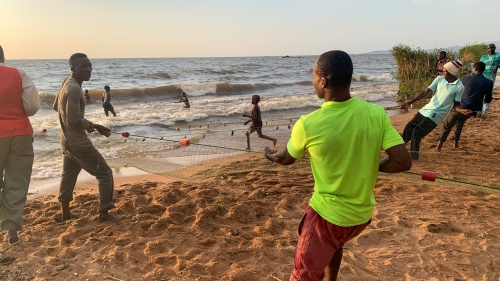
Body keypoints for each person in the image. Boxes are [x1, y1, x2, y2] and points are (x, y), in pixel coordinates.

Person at [264, 50, 412, 281]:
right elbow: (402, 161)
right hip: (361, 216)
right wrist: (371, 165)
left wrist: (270, 155)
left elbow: (286, 158)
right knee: (335, 244)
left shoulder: (308, 123)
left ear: (323, 81)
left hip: (327, 215)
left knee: (303, 274)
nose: (312, 82)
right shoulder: (376, 113)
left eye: (313, 77)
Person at [53, 53, 121, 222]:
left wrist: (80, 124)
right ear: (73, 68)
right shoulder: (75, 88)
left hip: (65, 141)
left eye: (89, 65)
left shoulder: (66, 83)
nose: (88, 69)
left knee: (68, 175)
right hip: (78, 142)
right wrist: (94, 126)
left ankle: (65, 214)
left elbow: (56, 107)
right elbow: (72, 119)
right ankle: (104, 214)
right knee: (105, 173)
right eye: (83, 66)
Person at [0, 45, 41, 245]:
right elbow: (32, 107)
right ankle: (11, 230)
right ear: (3, 57)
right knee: (16, 183)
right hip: (20, 133)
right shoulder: (19, 73)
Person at [400, 60, 464, 161]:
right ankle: (399, 150)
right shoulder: (439, 79)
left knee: (417, 133)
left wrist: (462, 110)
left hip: (436, 115)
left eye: (445, 71)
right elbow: (426, 91)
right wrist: (409, 102)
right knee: (409, 128)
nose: (443, 73)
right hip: (426, 109)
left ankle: (414, 157)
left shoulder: (459, 87)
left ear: (452, 72)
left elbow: (456, 106)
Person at [436, 61, 493, 151]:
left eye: (472, 69)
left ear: (475, 69)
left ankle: (438, 146)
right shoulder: (489, 82)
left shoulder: (466, 78)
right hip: (473, 109)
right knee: (459, 124)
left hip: (460, 107)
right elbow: (488, 100)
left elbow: (458, 90)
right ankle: (455, 144)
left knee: (447, 125)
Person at [479, 43, 500, 118]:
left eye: (492, 47)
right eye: (489, 48)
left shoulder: (498, 56)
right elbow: (479, 66)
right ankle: (478, 111)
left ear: (495, 48)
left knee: (488, 93)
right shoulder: (483, 57)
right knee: (480, 93)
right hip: (482, 76)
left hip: (491, 78)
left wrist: (497, 66)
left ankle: (485, 112)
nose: (490, 49)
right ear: (487, 49)